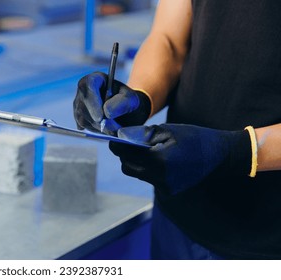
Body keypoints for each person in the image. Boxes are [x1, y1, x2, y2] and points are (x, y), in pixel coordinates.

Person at [73, 0, 281, 259]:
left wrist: (237, 151)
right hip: (178, 213)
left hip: (266, 238)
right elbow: (169, 38)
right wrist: (137, 99)